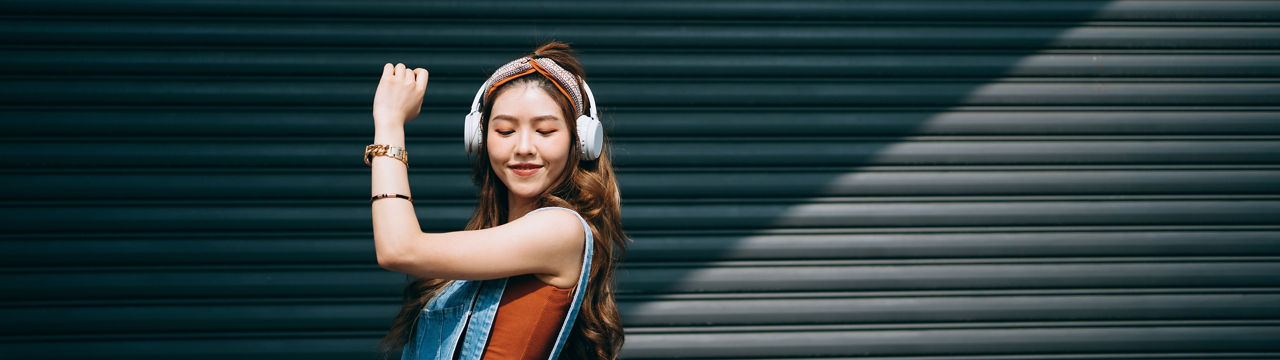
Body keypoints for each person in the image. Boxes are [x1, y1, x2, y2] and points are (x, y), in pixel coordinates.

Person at [366, 42, 627, 360]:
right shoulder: (491, 242)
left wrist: (389, 124)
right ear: (479, 139)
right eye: (505, 131)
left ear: (581, 142)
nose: (524, 146)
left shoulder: (561, 229)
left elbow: (398, 249)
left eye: (545, 131)